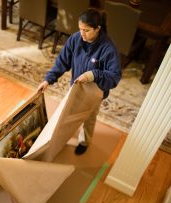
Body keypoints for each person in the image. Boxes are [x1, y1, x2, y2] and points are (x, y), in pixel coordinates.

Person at [37, 8, 121, 155]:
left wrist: (93, 74)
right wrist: (48, 80)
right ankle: (60, 139)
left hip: (94, 93)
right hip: (75, 87)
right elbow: (62, 61)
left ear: (97, 29)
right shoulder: (76, 39)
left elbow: (114, 76)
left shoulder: (108, 48)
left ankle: (84, 141)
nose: (82, 33)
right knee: (67, 114)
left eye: (86, 30)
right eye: (80, 29)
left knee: (88, 118)